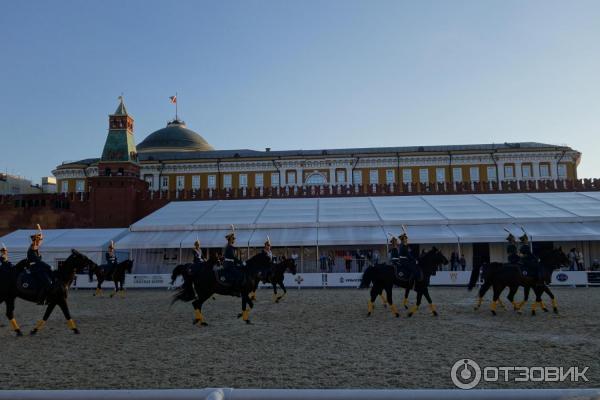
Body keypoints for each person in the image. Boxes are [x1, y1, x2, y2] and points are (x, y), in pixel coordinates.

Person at [27, 227, 52, 304]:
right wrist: (48, 266)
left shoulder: (36, 250)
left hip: (38, 267)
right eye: (40, 240)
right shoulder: (32, 250)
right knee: (47, 282)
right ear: (36, 241)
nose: (41, 242)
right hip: (35, 268)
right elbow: (38, 261)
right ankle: (41, 299)